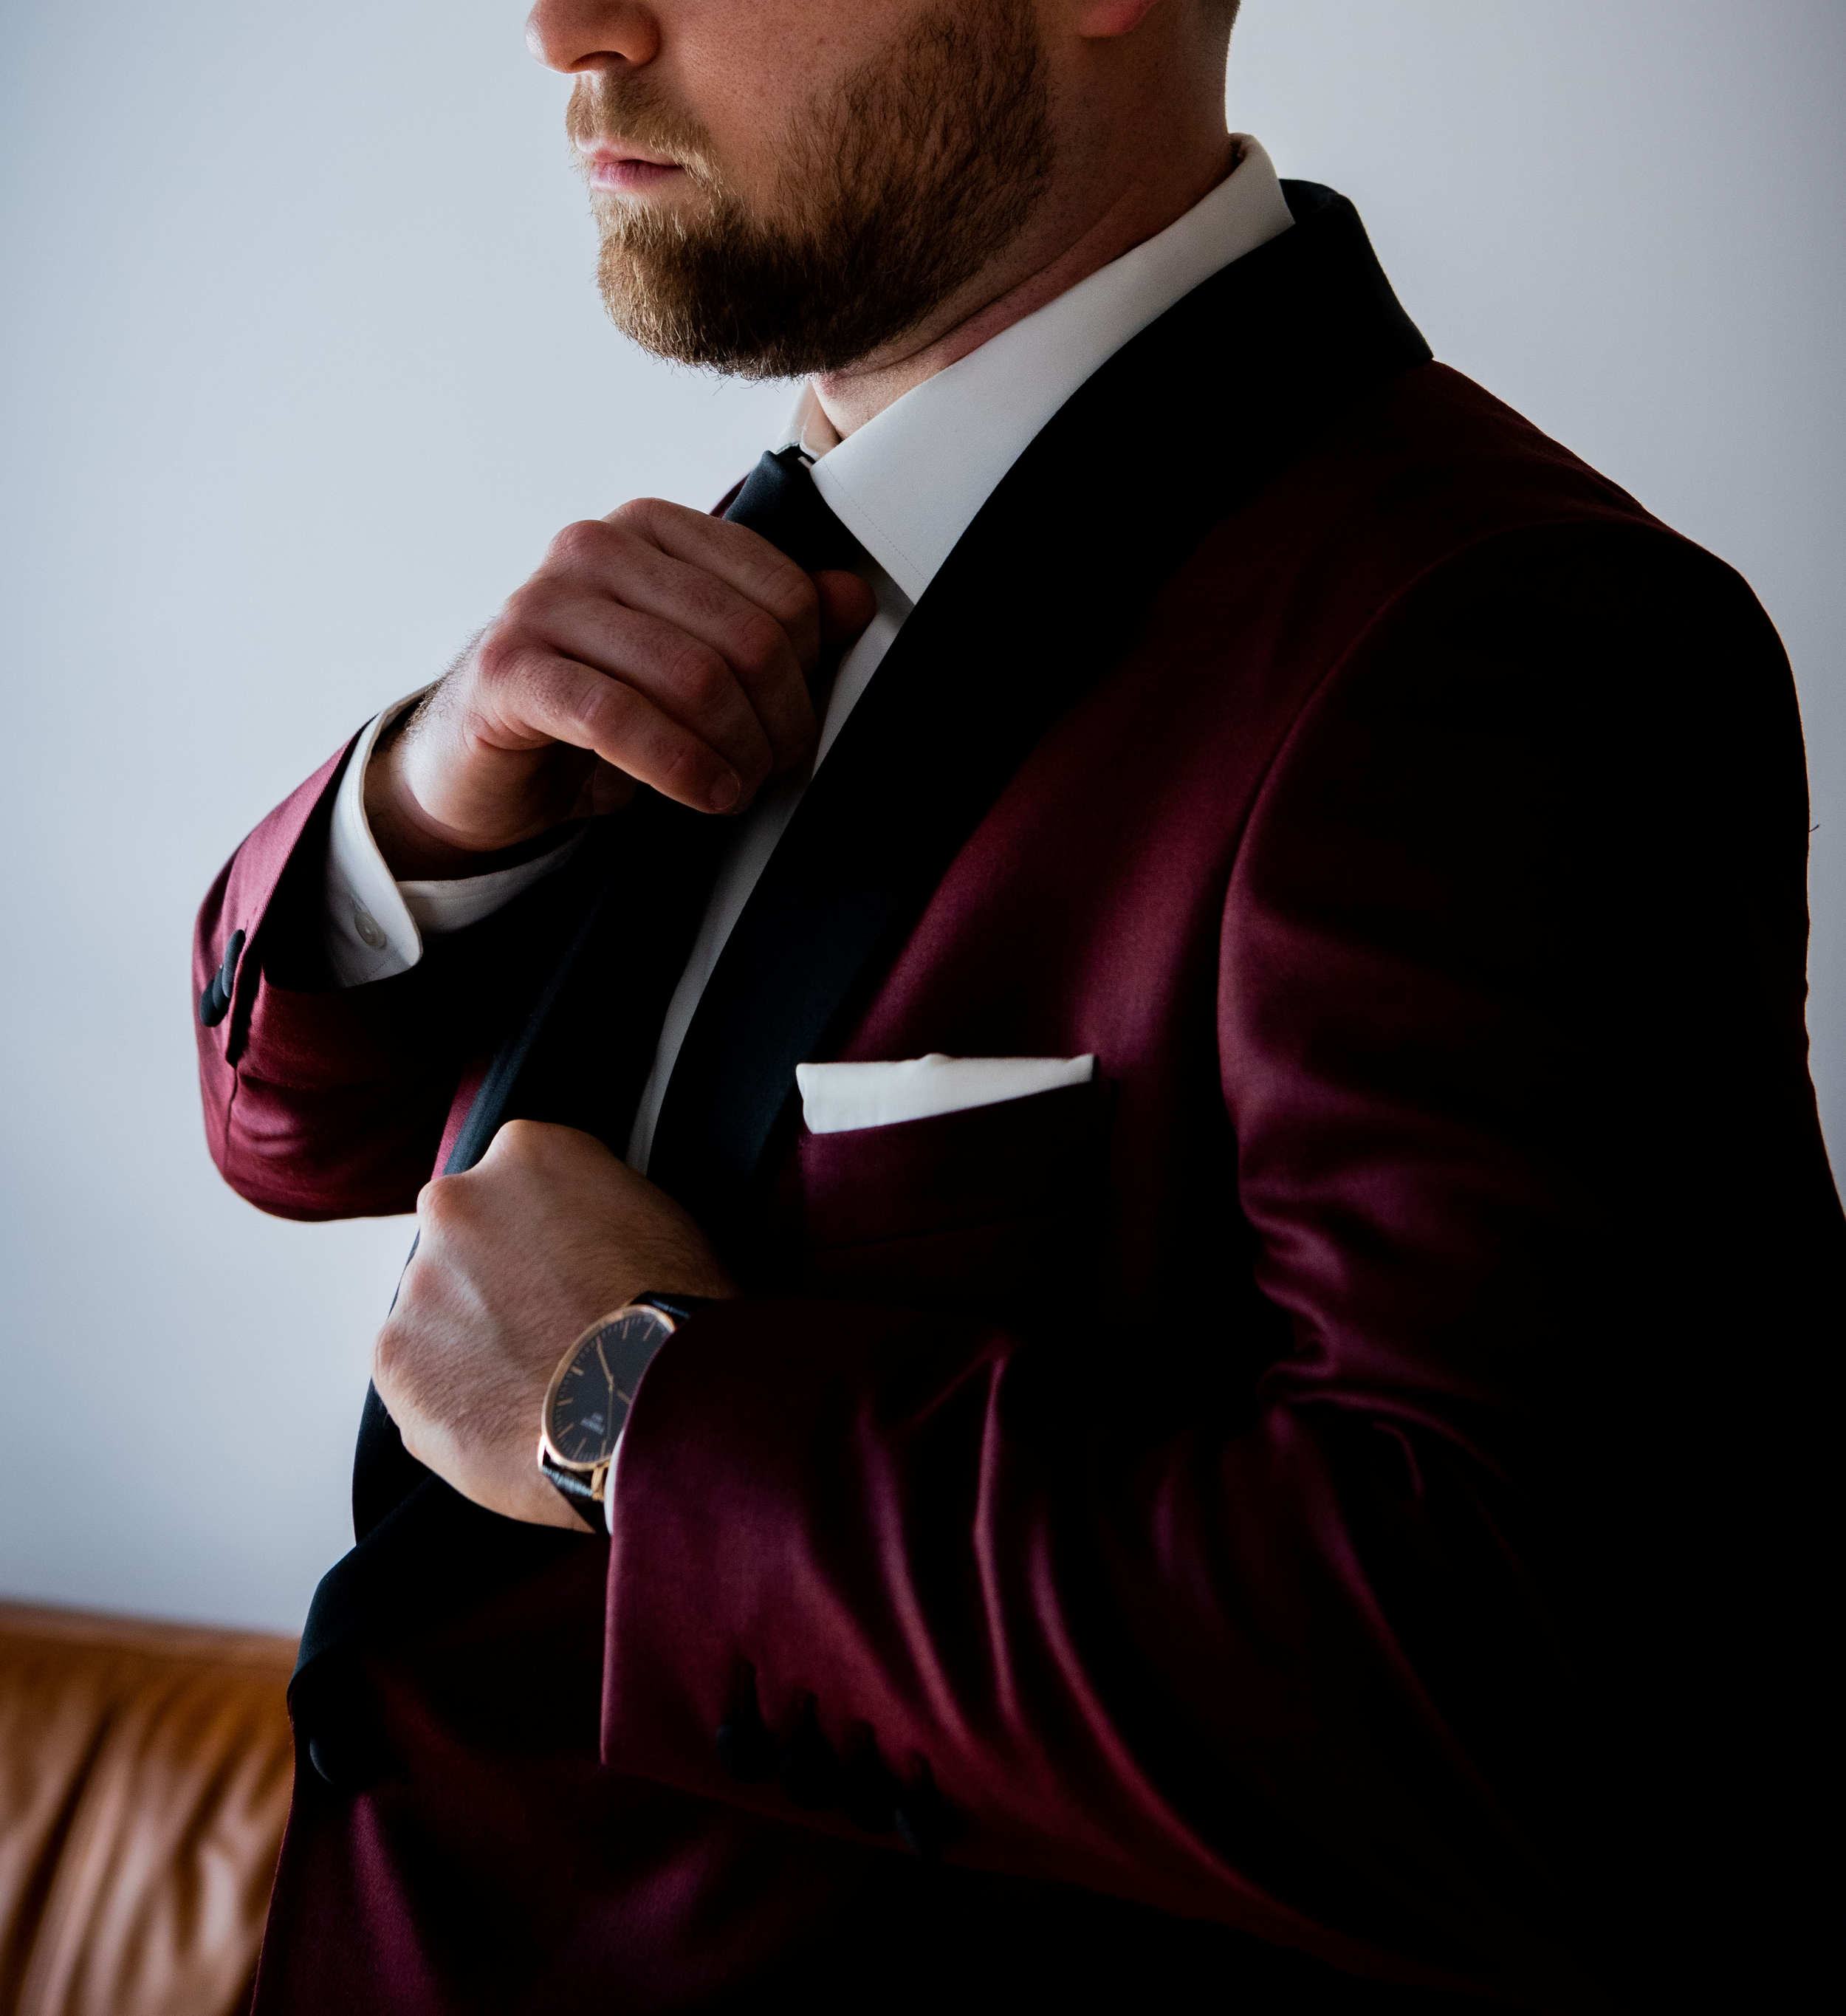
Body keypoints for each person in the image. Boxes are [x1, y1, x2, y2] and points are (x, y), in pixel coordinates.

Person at [193, 0, 1845, 2008]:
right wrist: (430, 789)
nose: (568, 27)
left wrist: (630, 1403)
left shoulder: (1488, 635)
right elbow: (290, 1130)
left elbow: (1548, 1712)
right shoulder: (720, 591)